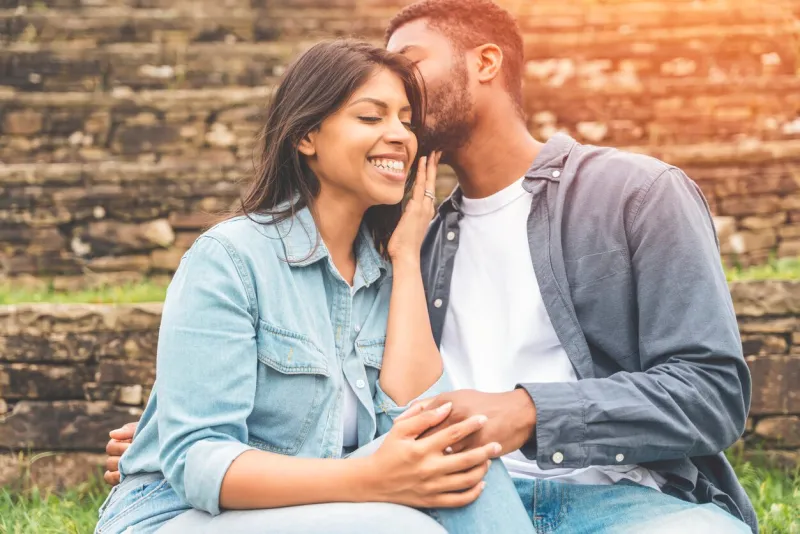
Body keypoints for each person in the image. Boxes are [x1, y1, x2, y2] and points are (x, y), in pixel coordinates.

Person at [105, 1, 759, 533]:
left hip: (608, 498)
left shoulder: (633, 194)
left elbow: (711, 394)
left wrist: (527, 412)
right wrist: (180, 442)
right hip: (429, 500)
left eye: (410, 70)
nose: (402, 104)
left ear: (485, 62)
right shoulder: (402, 237)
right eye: (375, 107)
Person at [94, 39, 535, 534]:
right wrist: (367, 476)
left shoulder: (386, 273)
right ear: (306, 136)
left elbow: (422, 420)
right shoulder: (231, 259)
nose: (399, 136)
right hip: (177, 516)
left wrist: (407, 258)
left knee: (457, 446)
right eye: (371, 118)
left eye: (406, 121)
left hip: (318, 512)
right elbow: (199, 463)